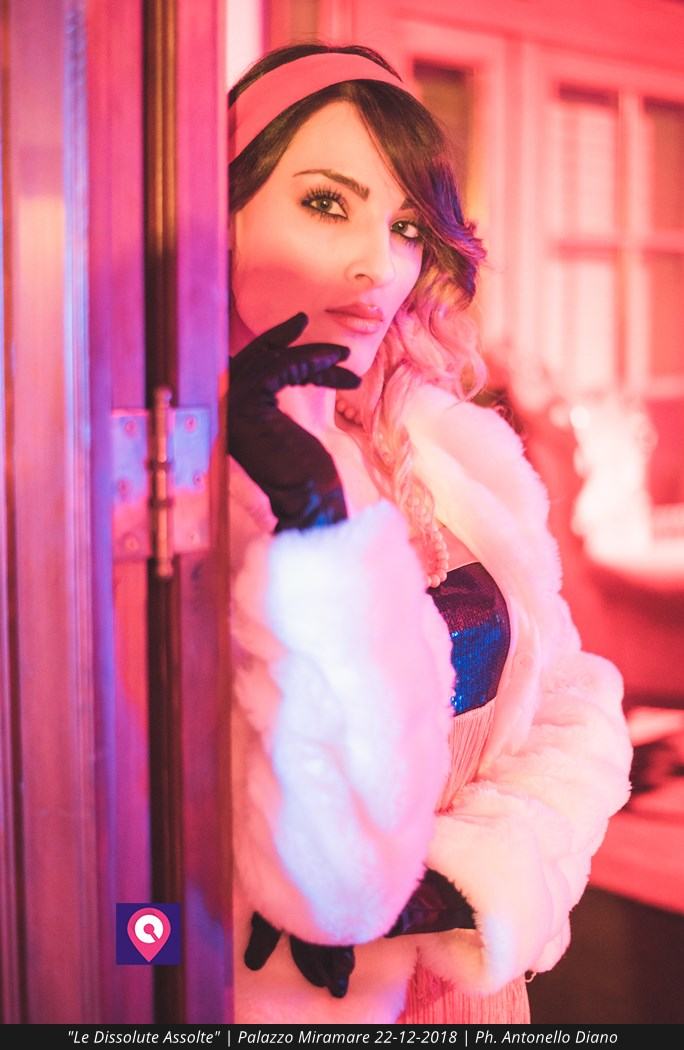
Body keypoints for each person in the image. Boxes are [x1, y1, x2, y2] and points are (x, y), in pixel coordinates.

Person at [227, 43, 633, 1024]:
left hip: (468, 989)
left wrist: (476, 876)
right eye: (326, 202)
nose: (379, 266)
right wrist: (316, 530)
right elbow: (325, 873)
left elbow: (574, 704)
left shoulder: (446, 448)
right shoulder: (183, 497)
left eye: (406, 225)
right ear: (221, 211)